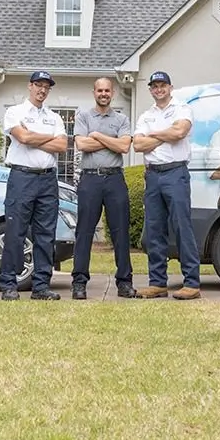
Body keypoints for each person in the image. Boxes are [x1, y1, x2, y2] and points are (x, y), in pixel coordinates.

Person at [132, 71, 201, 300]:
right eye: (154, 86)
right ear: (150, 89)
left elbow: (180, 131)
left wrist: (154, 134)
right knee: (154, 230)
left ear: (170, 87)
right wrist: (166, 134)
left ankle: (191, 283)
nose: (158, 89)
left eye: (162, 85)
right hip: (153, 176)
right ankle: (158, 283)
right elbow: (139, 145)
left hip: (175, 173)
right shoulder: (146, 115)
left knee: (182, 227)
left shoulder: (181, 108)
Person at [0, 70, 68, 301]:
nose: (42, 90)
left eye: (46, 87)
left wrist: (33, 137)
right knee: (15, 231)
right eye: (38, 85)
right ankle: (9, 284)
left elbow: (62, 146)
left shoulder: (55, 117)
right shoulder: (14, 112)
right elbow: (23, 138)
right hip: (22, 178)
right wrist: (43, 138)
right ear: (30, 86)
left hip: (48, 180)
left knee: (46, 235)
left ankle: (41, 286)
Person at [71, 77, 138, 300]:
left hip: (114, 180)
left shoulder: (121, 118)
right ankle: (79, 282)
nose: (103, 93)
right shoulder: (83, 116)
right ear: (94, 92)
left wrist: (97, 136)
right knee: (84, 232)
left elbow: (124, 146)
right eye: (99, 90)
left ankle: (125, 282)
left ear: (113, 92)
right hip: (90, 180)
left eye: (107, 90)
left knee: (120, 232)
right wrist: (113, 142)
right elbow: (82, 144)